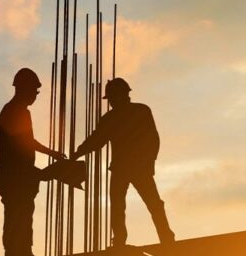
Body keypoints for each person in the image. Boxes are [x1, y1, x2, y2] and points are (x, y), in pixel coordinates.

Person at [72, 77, 175, 247]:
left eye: (112, 98)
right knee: (126, 205)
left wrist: (149, 162)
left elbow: (152, 139)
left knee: (144, 204)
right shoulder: (124, 115)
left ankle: (162, 238)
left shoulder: (136, 112)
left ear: (121, 95)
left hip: (134, 167)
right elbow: (97, 140)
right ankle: (154, 238)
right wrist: (78, 152)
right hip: (127, 167)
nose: (111, 102)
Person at [0, 68, 66, 256]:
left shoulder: (19, 111)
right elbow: (23, 143)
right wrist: (45, 165)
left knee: (23, 215)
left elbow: (27, 141)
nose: (35, 95)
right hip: (13, 175)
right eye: (34, 91)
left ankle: (22, 254)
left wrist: (51, 156)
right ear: (23, 88)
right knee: (17, 216)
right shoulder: (14, 111)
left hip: (19, 174)